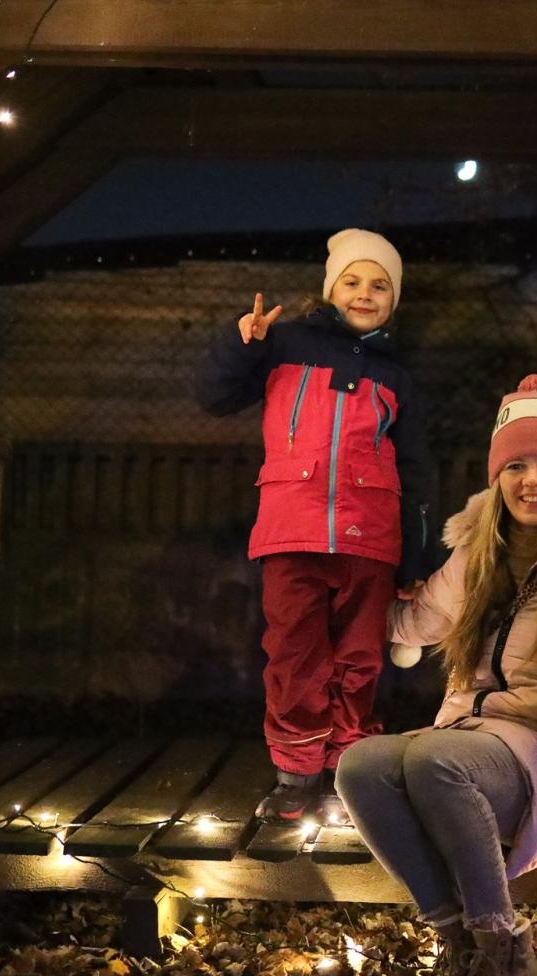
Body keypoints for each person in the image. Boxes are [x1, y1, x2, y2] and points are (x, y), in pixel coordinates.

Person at [336, 375, 537, 976]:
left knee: (435, 759)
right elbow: (408, 623)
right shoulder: (476, 557)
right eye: (516, 466)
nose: (533, 481)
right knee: (360, 765)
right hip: (468, 737)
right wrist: (366, 574)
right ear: (497, 479)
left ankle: (506, 955)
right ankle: (458, 947)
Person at [196, 229, 435, 823]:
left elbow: (415, 469)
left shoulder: (397, 375)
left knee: (359, 659)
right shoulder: (284, 344)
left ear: (394, 300)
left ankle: (345, 773)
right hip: (292, 532)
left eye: (379, 285)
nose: (364, 293)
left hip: (370, 540)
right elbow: (215, 396)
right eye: (352, 281)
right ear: (331, 289)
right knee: (295, 654)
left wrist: (415, 558)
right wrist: (242, 344)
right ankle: (296, 774)